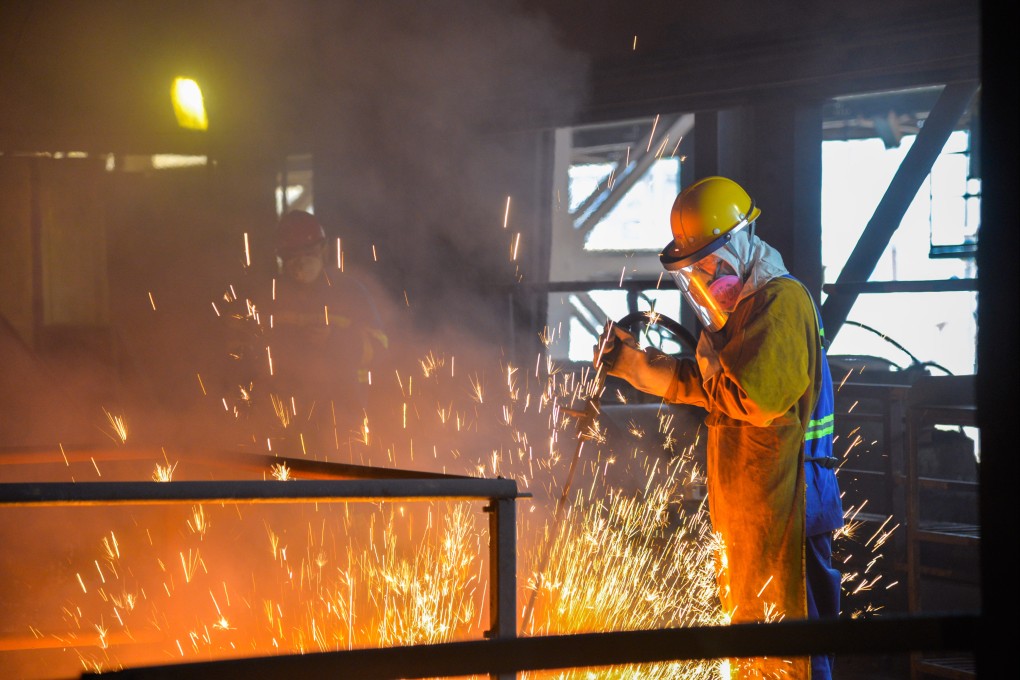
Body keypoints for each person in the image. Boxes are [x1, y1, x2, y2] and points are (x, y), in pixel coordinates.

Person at [595, 176, 843, 680]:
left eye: (712, 263)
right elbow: (718, 387)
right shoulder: (744, 312)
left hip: (792, 506)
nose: (708, 279)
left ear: (744, 242)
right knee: (753, 648)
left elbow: (752, 397)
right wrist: (638, 366)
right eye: (696, 270)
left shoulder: (782, 301)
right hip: (754, 509)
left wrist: (696, 364)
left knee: (794, 649)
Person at [258, 209, 389, 457]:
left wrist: (334, 340)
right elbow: (252, 354)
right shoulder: (270, 297)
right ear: (281, 258)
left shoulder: (350, 293)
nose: (301, 263)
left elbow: (380, 347)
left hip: (344, 417)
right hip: (288, 424)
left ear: (323, 249)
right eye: (291, 256)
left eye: (307, 253)